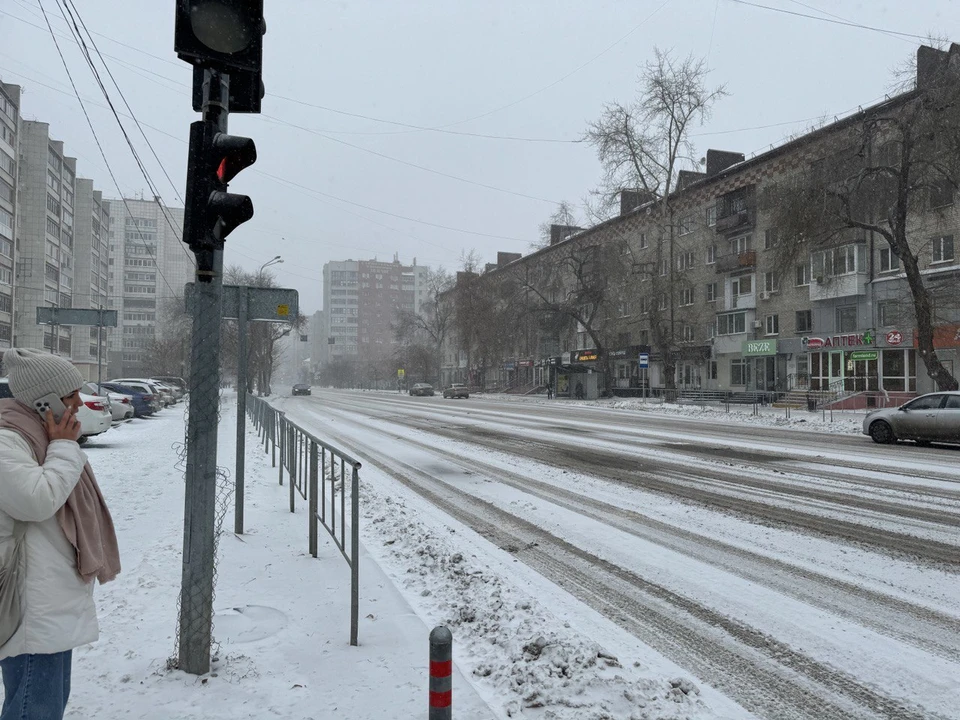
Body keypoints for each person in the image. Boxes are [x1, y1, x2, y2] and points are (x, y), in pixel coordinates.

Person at [0, 349, 121, 720]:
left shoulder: (38, 432)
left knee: (45, 700)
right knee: (34, 708)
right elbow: (36, 501)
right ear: (44, 400)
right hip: (31, 596)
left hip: (49, 592)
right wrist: (65, 447)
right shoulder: (9, 439)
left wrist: (60, 444)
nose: (78, 404)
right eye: (70, 396)